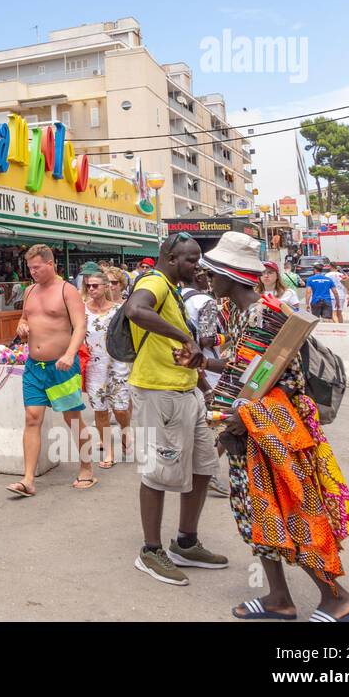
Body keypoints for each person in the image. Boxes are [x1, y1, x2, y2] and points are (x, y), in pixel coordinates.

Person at [200, 234, 349, 620]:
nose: (208, 277)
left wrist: (235, 423)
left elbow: (268, 383)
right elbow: (248, 372)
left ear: (231, 275)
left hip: (269, 433)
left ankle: (337, 597)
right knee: (256, 513)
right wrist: (204, 366)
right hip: (252, 430)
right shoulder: (248, 314)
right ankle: (279, 598)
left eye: (213, 271)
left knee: (290, 510)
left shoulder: (263, 316)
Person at [123, 232, 228, 585]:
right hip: (159, 393)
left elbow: (184, 356)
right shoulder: (154, 281)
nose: (196, 265)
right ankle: (151, 550)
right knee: (158, 471)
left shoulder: (175, 291)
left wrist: (202, 389)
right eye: (190, 259)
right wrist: (184, 337)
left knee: (202, 466)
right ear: (169, 257)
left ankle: (186, 542)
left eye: (197, 258)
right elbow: (135, 310)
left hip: (186, 392)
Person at [6, 245, 94, 497]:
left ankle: (87, 467)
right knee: (32, 418)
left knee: (72, 418)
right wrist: (21, 326)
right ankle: (28, 479)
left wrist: (69, 354)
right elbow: (24, 318)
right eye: (30, 268)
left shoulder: (67, 290)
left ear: (50, 263)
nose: (32, 272)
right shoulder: (30, 290)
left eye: (36, 267)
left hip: (61, 366)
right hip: (34, 366)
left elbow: (79, 327)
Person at [82, 270, 132, 469]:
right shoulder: (82, 310)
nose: (92, 289)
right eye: (89, 286)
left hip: (117, 366)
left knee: (120, 410)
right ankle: (109, 452)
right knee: (100, 411)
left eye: (95, 285)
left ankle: (126, 431)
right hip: (94, 368)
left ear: (105, 287)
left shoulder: (119, 310)